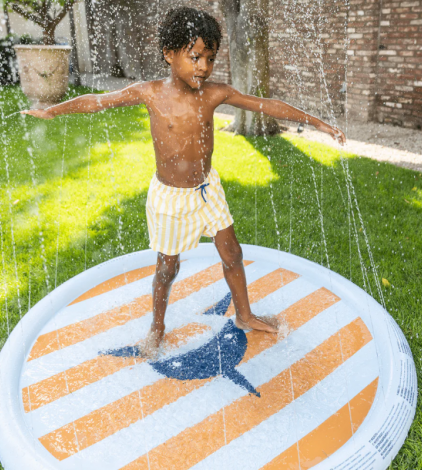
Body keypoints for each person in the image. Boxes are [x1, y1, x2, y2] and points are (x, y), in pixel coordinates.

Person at [22, 6, 346, 357]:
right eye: (195, 57)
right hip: (170, 198)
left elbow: (267, 105)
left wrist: (318, 122)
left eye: (210, 58)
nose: (204, 67)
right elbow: (99, 102)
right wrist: (53, 109)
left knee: (232, 253)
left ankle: (245, 314)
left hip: (208, 190)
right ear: (169, 54)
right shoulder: (149, 93)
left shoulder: (214, 94)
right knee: (167, 269)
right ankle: (157, 328)